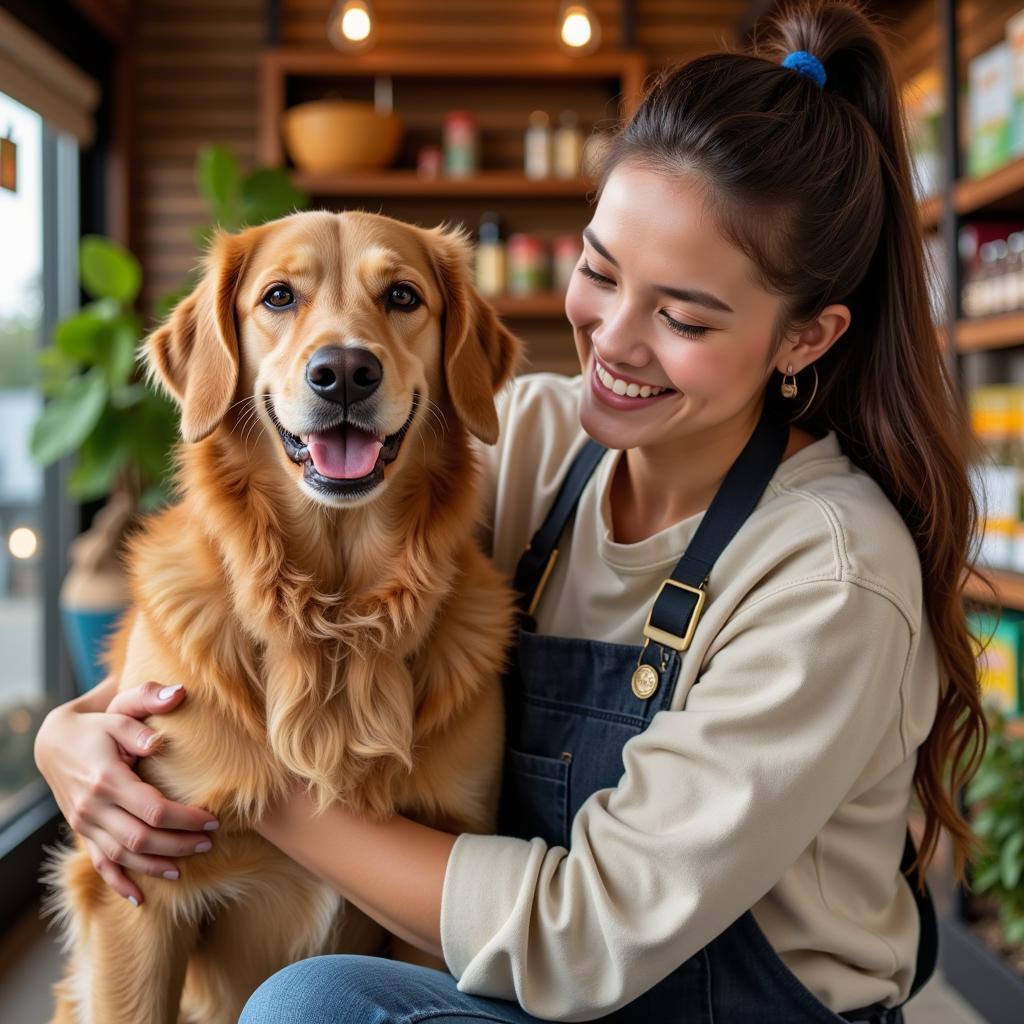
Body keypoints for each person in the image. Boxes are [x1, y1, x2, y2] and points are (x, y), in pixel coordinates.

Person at [34, 2, 989, 1021]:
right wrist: (71, 739)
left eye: (680, 315)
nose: (612, 342)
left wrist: (249, 786)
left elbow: (586, 934)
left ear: (806, 338)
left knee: (317, 1006)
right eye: (599, 271)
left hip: (711, 1005)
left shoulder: (832, 573)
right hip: (525, 991)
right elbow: (258, 575)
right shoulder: (525, 440)